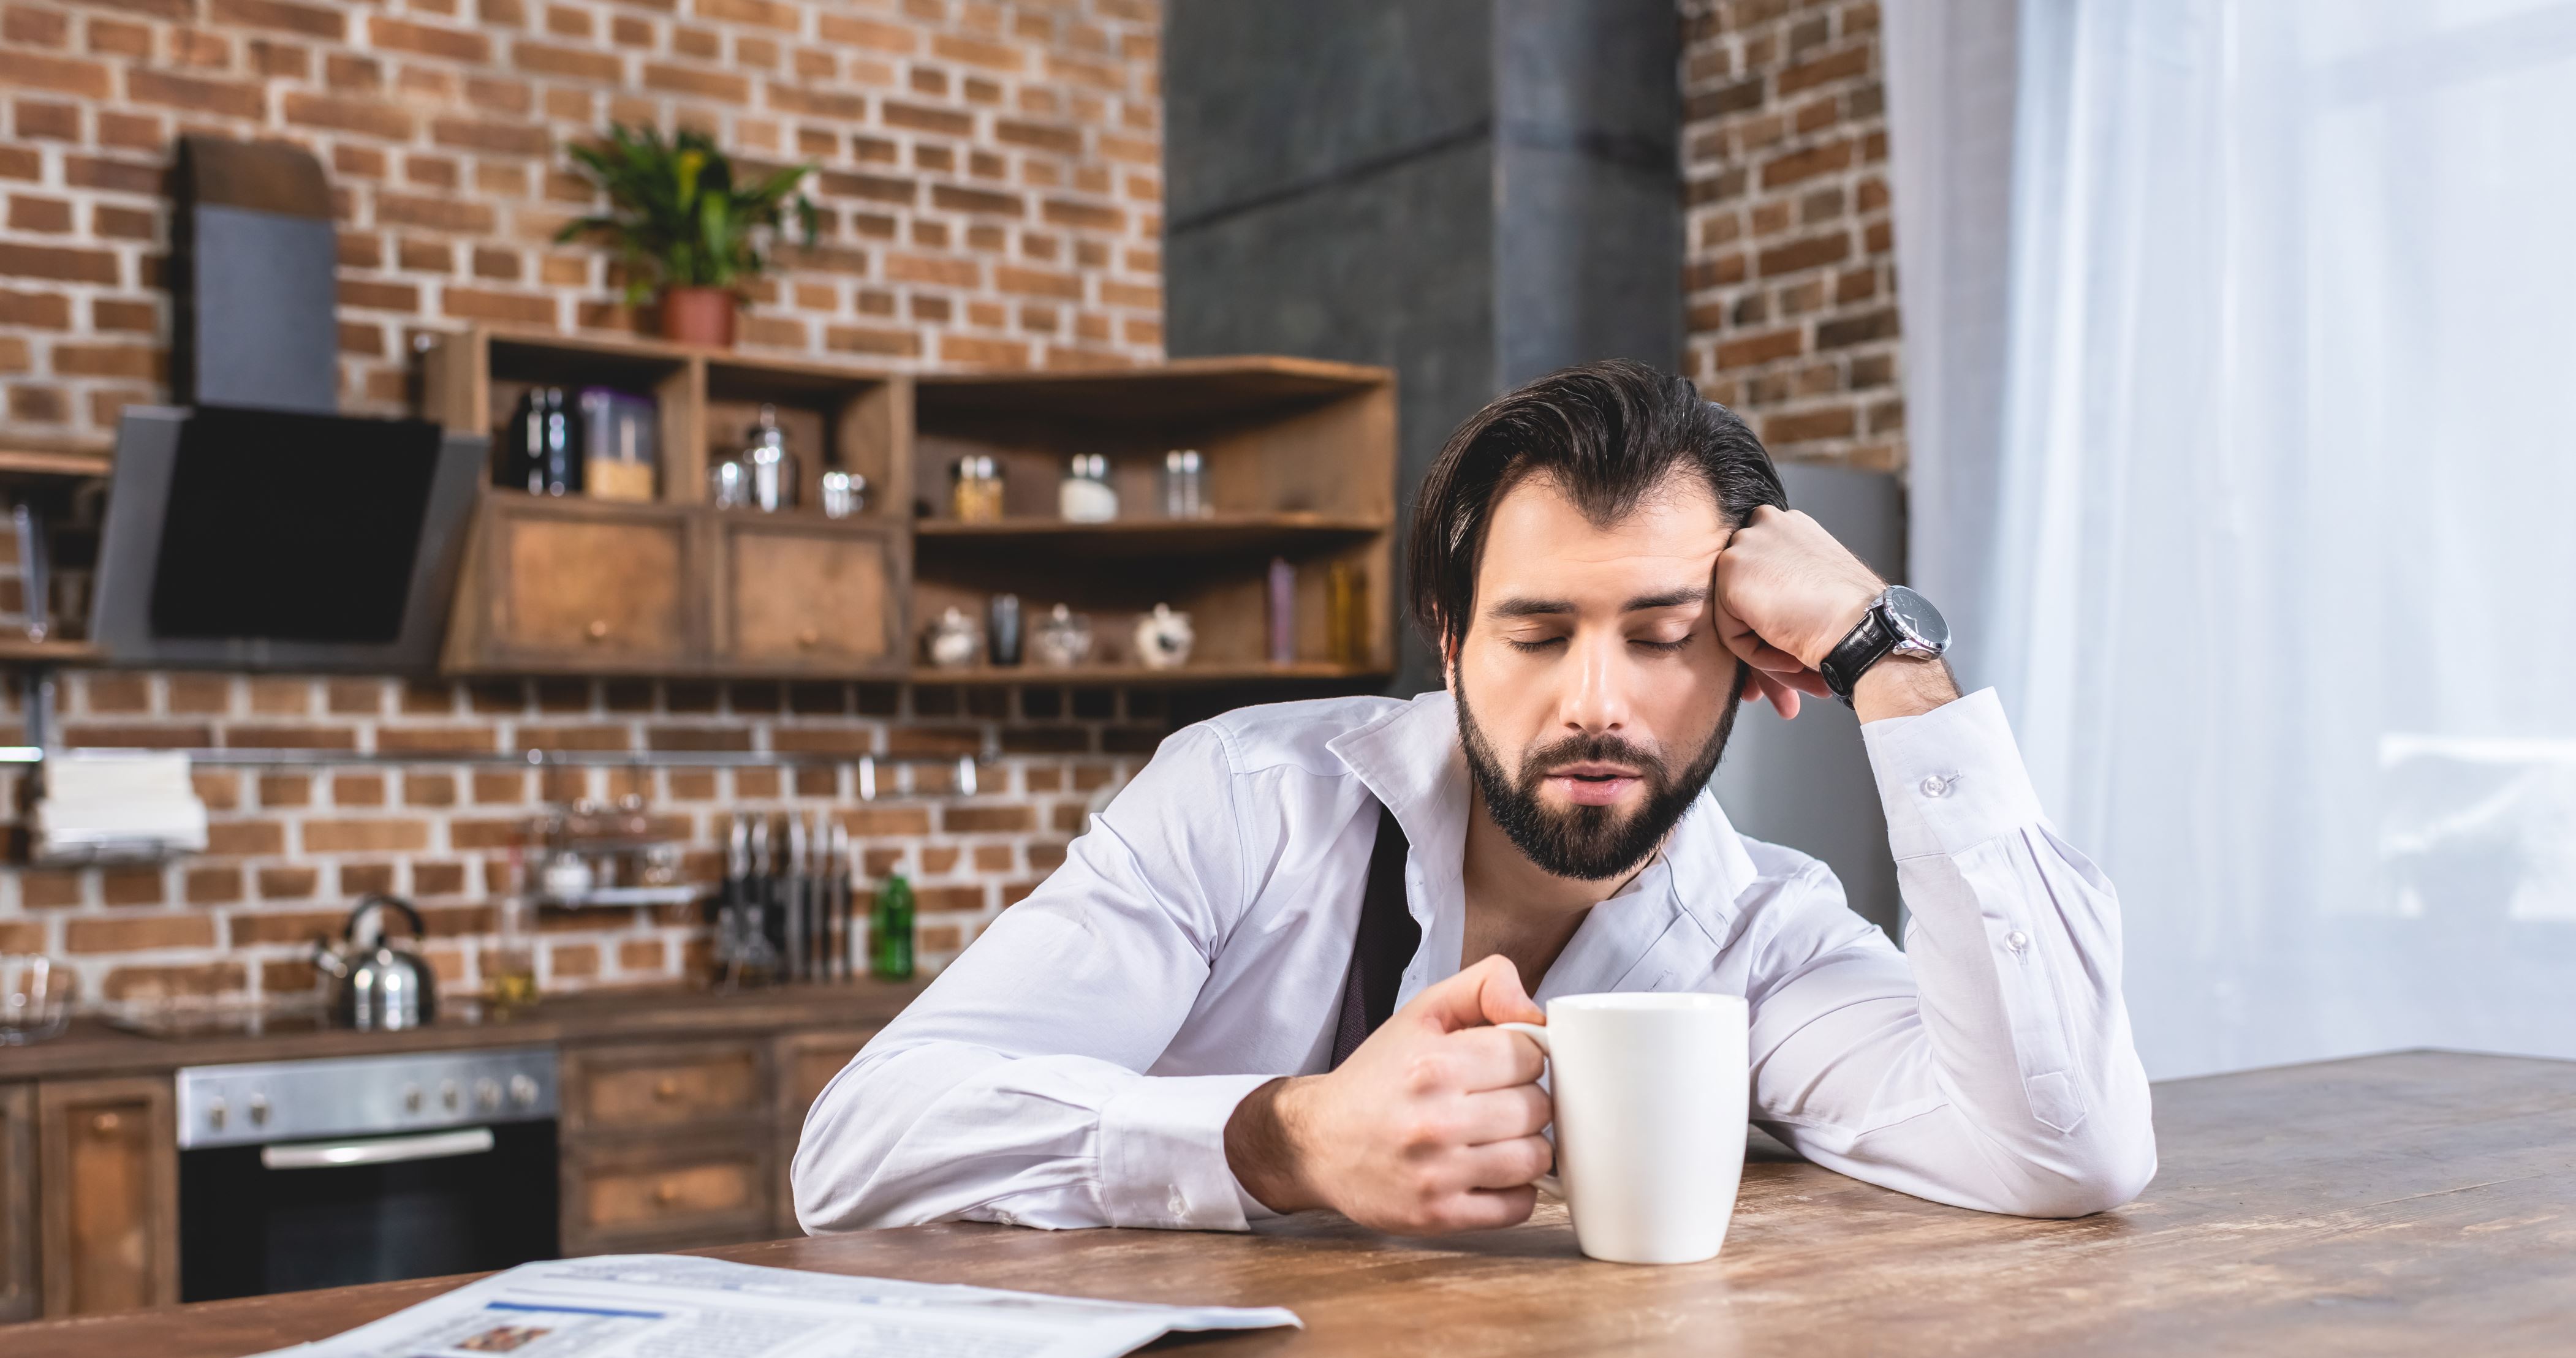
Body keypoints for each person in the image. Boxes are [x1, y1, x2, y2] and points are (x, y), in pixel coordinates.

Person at [795, 361, 2154, 1237]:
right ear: (1447, 644)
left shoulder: (1766, 936)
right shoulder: (1242, 798)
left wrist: (1885, 652)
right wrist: (1278, 1135)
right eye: (1535, 630)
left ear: (1753, 664)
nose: (1594, 702)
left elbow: (2065, 1148)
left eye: (1659, 634)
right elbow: (857, 1149)